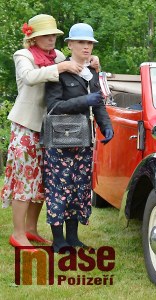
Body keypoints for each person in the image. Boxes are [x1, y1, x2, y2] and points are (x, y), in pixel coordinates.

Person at [0, 14, 99, 252]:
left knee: (44, 181)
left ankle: (32, 230)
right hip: (27, 125)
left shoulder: (59, 56)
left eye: (53, 35)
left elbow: (77, 68)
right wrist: (60, 66)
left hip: (53, 129)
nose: (51, 39)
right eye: (45, 35)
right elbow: (29, 77)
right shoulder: (23, 56)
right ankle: (18, 233)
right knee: (24, 180)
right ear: (33, 38)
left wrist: (92, 61)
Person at [43, 23, 114, 252]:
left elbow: (99, 103)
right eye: (81, 42)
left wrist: (106, 126)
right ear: (70, 45)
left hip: (83, 139)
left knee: (79, 188)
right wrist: (84, 101)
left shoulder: (92, 72)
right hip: (60, 141)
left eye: (89, 43)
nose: (86, 46)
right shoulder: (58, 72)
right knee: (59, 188)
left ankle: (73, 238)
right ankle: (58, 240)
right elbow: (53, 107)